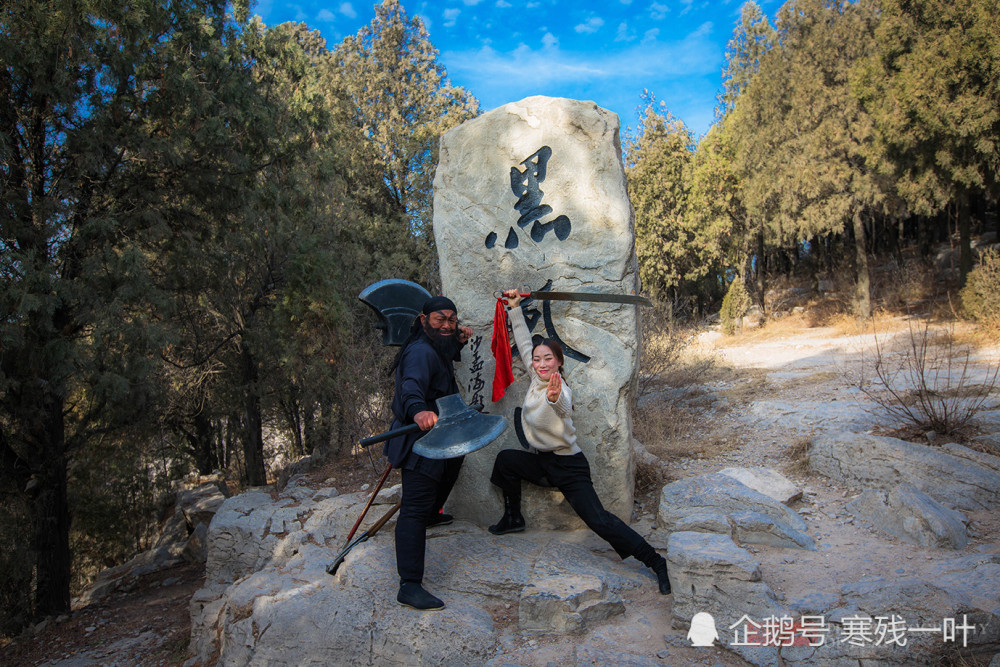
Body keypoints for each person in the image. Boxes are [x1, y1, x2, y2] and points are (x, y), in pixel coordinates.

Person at [487, 288, 671, 595]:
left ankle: (656, 562)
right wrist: (514, 308)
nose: (541, 363)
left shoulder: (561, 390)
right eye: (537, 359)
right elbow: (524, 341)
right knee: (506, 460)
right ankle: (513, 516)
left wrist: (555, 399)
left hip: (568, 467)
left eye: (548, 359)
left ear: (559, 362)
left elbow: (564, 408)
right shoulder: (536, 377)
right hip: (543, 463)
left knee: (599, 521)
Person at [385, 295, 473, 611]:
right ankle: (409, 585)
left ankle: (432, 514)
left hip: (441, 433)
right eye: (440, 319)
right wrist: (418, 410)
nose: (447, 325)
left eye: (452, 319)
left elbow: (444, 356)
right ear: (424, 321)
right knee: (413, 507)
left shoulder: (436, 343)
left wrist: (458, 341)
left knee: (455, 459)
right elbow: (411, 386)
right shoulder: (421, 351)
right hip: (419, 437)